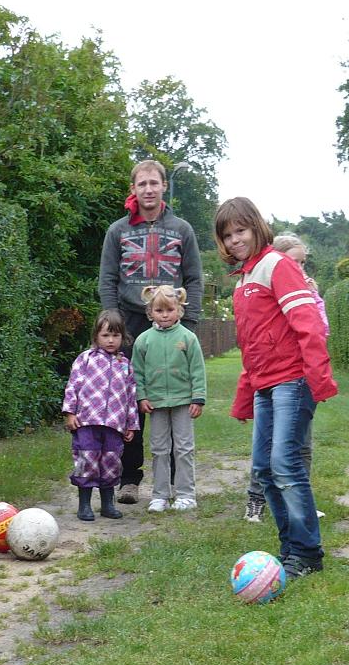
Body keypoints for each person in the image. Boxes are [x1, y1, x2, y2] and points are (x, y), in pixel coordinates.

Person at [217, 198, 337, 581]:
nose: (235, 240)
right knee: (264, 470)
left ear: (256, 227)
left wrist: (318, 377)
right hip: (265, 385)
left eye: (240, 231)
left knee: (286, 465)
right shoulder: (243, 280)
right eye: (227, 235)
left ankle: (307, 552)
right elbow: (251, 345)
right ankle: (290, 548)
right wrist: (244, 396)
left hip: (293, 380)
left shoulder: (278, 265)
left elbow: (308, 322)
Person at [98, 160, 204, 505]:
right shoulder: (117, 231)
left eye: (153, 183)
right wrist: (113, 322)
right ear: (133, 188)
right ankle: (130, 477)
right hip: (130, 323)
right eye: (141, 184)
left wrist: (188, 323)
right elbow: (107, 279)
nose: (148, 189)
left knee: (171, 396)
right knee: (132, 400)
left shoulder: (182, 229)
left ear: (163, 186)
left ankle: (173, 480)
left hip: (172, 325)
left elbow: (194, 278)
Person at [243, 233, 328, 523]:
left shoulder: (307, 292)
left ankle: (300, 505)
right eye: (295, 262)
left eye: (303, 263)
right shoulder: (266, 287)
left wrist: (314, 298)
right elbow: (254, 341)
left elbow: (319, 329)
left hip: (302, 378)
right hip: (276, 378)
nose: (300, 269)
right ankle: (257, 499)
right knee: (268, 452)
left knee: (300, 446)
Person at [132, 285, 206, 513]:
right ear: (150, 312)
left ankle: (186, 494)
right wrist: (141, 397)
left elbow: (198, 370)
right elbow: (137, 373)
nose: (164, 315)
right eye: (159, 310)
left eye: (169, 310)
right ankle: (160, 495)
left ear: (179, 310)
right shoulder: (143, 340)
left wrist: (198, 398)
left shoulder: (188, 338)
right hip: (155, 404)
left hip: (184, 402)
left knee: (184, 449)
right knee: (159, 449)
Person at [62, 309, 140, 522]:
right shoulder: (85, 359)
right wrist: (70, 413)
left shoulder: (125, 365)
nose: (111, 340)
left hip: (114, 425)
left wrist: (131, 424)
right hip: (86, 422)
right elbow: (72, 386)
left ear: (123, 337)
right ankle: (84, 504)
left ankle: (107, 504)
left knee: (111, 462)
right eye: (105, 335)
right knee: (87, 460)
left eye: (115, 335)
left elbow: (131, 396)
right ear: (96, 335)